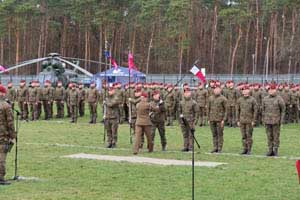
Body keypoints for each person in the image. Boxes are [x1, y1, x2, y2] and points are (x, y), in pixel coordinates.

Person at [262, 84, 285, 156]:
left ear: (275, 90)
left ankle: (275, 150)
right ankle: (270, 150)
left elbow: (283, 110)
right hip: (267, 121)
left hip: (276, 121)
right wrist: (263, 119)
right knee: (269, 136)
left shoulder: (279, 99)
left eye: (273, 89)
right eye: (270, 90)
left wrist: (281, 121)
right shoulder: (265, 99)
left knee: (276, 136)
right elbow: (263, 110)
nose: (271, 91)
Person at [0, 85, 16, 185]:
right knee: (1, 157)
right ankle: (0, 177)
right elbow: (10, 122)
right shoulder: (6, 105)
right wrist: (12, 136)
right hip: (3, 135)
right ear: (2, 93)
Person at [236, 85, 257, 155]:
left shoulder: (252, 100)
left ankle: (249, 149)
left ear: (249, 91)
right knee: (243, 135)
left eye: (246, 90)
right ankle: (244, 148)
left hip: (249, 121)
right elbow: (237, 110)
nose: (245, 91)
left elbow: (255, 111)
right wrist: (238, 120)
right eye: (243, 90)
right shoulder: (239, 100)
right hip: (242, 120)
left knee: (249, 135)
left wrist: (254, 120)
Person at [207, 84, 227, 153]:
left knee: (220, 134)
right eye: (215, 89)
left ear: (220, 90)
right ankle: (215, 147)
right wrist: (208, 119)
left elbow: (226, 110)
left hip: (219, 119)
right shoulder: (210, 98)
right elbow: (208, 109)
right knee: (214, 134)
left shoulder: (223, 99)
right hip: (212, 119)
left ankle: (219, 148)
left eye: (218, 89)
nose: (216, 90)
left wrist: (224, 120)